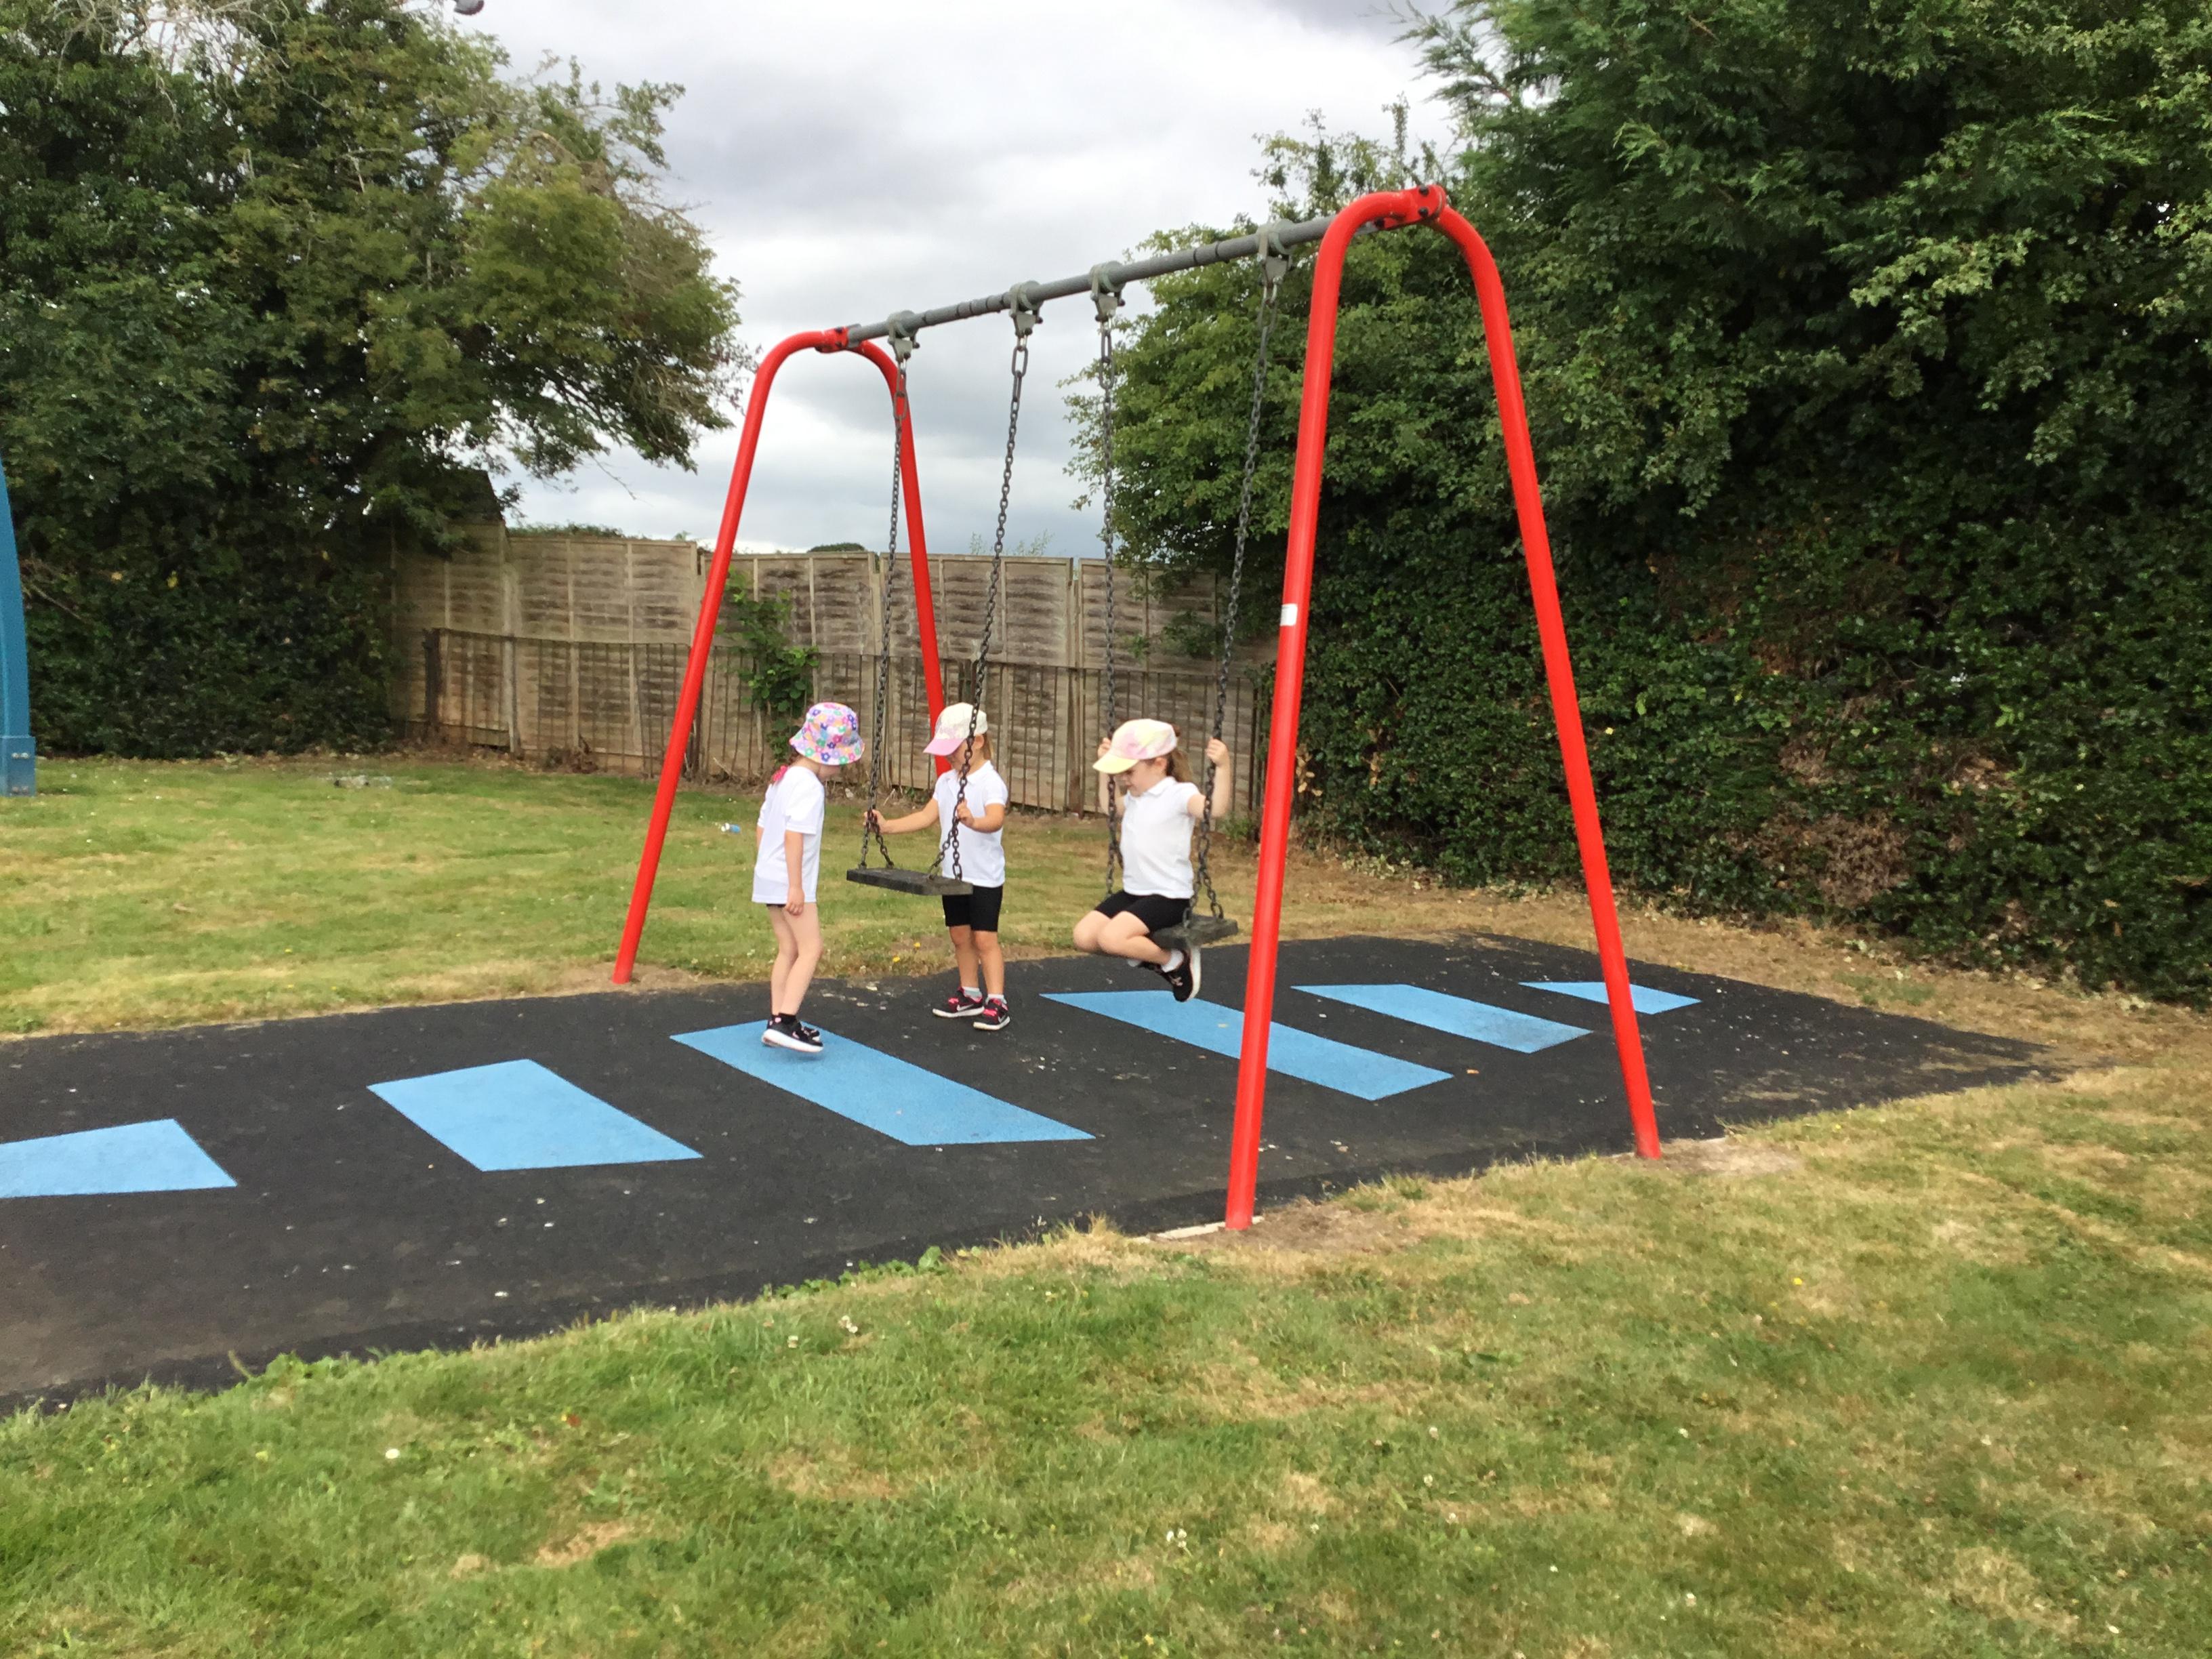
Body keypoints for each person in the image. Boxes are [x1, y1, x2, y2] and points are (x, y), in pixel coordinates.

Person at [865, 702, 1012, 1031]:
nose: (947, 757)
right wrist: (886, 827)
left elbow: (996, 819)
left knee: (984, 939)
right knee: (959, 936)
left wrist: (973, 821)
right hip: (952, 875)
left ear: (977, 742)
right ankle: (970, 993)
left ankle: (997, 1000)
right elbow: (926, 816)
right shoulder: (947, 782)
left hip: (984, 877)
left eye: (952, 749)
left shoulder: (990, 782)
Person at [1073, 718, 1231, 1001]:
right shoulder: (1135, 796)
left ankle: (1175, 961)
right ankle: (1148, 955)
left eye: (1130, 772)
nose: (1125, 779)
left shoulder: (1179, 794)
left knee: (1112, 938)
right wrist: (1106, 770)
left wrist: (1223, 767)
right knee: (1084, 936)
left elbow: (1214, 810)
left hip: (1169, 896)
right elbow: (1110, 806)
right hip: (1135, 892)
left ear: (1159, 764)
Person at [754, 701, 862, 1054]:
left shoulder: (783, 778)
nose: (841, 768)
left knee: (789, 948)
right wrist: (796, 886)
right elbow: (794, 836)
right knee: (812, 948)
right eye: (841, 761)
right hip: (790, 881)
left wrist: (769, 870)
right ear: (828, 755)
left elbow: (762, 827)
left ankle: (777, 1020)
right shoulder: (810, 787)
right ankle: (786, 1022)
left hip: (769, 876)